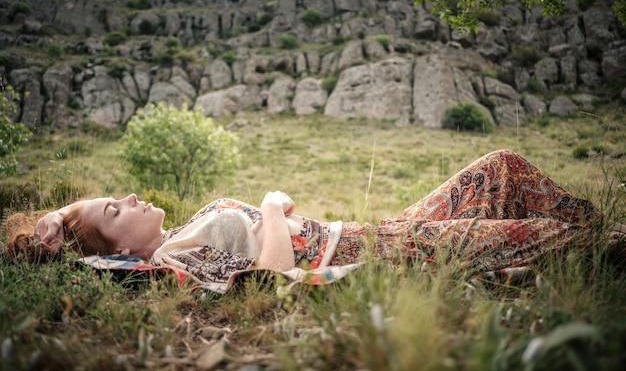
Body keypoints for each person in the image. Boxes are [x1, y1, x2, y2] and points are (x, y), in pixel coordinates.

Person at [5, 149, 626, 285]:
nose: (133, 198)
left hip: (381, 227)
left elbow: (84, 232)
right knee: (553, 239)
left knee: (501, 169)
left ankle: (604, 238)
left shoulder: (182, 228)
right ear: (122, 252)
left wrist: (60, 214)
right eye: (118, 210)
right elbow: (276, 280)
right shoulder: (175, 259)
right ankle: (607, 249)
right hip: (379, 251)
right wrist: (272, 208)